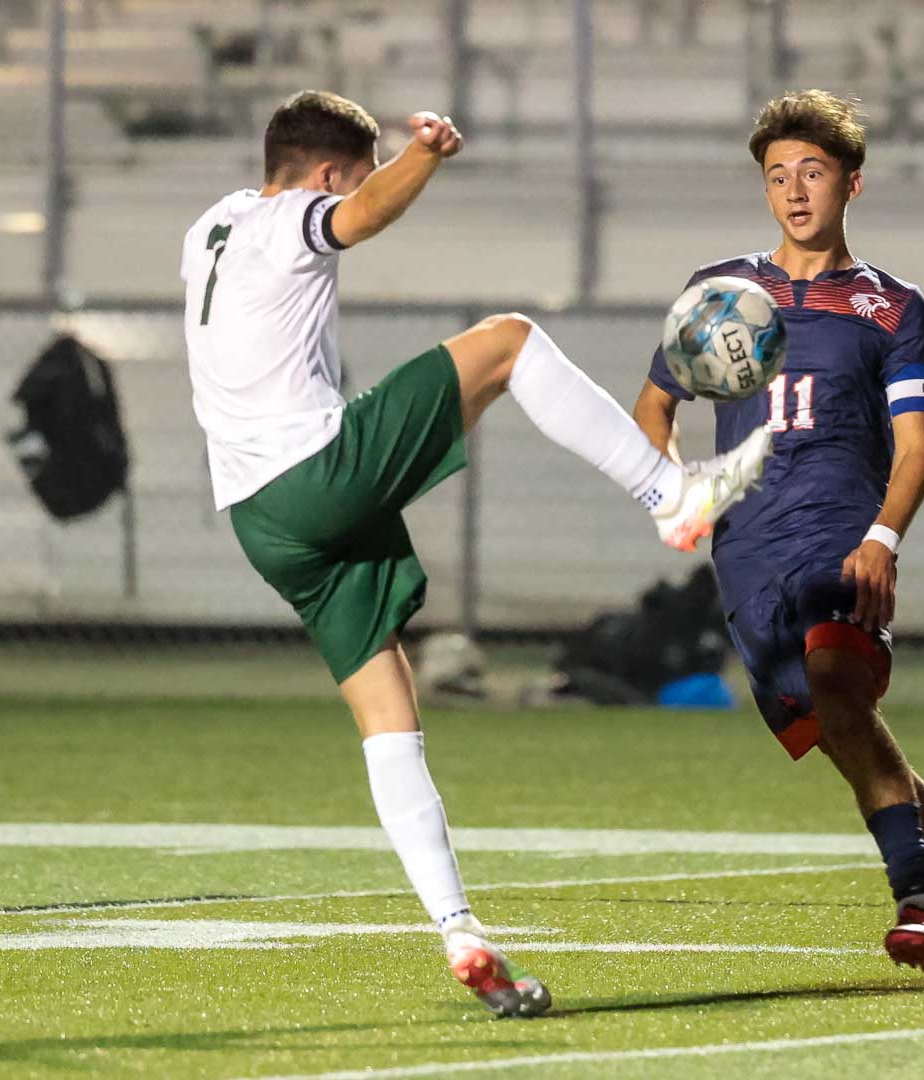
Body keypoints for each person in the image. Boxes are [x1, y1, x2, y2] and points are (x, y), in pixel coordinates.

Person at [180, 91, 773, 1017]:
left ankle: (460, 930)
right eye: (354, 174)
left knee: (388, 715)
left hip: (261, 518)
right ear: (328, 173)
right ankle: (671, 497)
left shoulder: (211, 227)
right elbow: (355, 217)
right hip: (313, 469)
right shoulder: (296, 217)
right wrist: (422, 154)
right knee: (509, 341)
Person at [631, 90, 924, 986]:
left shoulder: (892, 307)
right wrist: (672, 488)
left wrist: (882, 539)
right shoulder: (721, 293)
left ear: (852, 183)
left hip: (841, 543)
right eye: (777, 175)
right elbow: (653, 409)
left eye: (813, 172)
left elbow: (918, 447)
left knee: (839, 690)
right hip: (747, 555)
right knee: (852, 739)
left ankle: (917, 908)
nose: (794, 192)